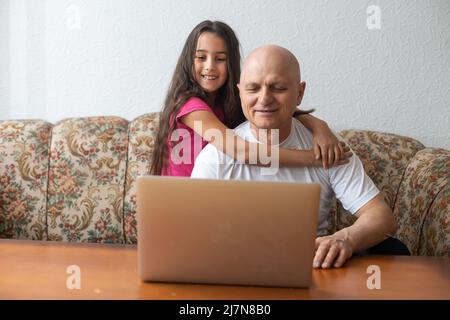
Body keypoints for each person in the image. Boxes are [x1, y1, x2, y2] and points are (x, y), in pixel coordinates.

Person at [191, 45, 407, 268]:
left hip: (310, 269)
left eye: (278, 88)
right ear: (240, 92)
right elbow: (191, 233)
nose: (264, 99)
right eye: (253, 88)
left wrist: (345, 239)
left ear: (300, 93)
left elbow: (380, 216)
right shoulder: (215, 156)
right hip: (236, 269)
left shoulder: (329, 149)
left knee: (394, 250)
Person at [150, 20, 352, 177]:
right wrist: (312, 159)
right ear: (188, 60)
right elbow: (241, 151)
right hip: (182, 201)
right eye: (201, 57)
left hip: (211, 196)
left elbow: (284, 109)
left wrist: (320, 128)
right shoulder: (189, 106)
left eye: (220, 59)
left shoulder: (227, 102)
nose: (210, 66)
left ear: (231, 64)